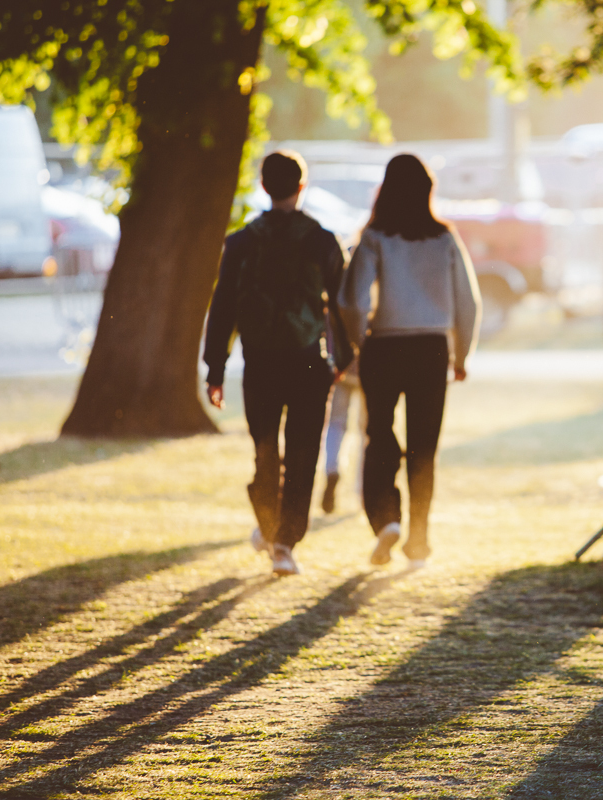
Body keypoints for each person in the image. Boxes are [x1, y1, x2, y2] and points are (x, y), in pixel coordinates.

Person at [203, 150, 353, 576]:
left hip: (260, 364)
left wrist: (215, 369)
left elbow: (223, 309)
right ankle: (284, 541)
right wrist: (344, 358)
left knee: (265, 452)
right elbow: (341, 307)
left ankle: (271, 529)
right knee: (303, 455)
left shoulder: (241, 243)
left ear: (263, 186)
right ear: (302, 187)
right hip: (309, 363)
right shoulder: (323, 242)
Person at [338, 153, 481, 568]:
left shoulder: (375, 237)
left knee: (379, 434)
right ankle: (418, 537)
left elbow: (353, 300)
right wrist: (461, 355)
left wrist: (357, 343)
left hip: (383, 346)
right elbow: (468, 302)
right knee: (424, 446)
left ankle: (386, 518)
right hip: (431, 349)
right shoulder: (444, 238)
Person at [321, 361, 361, 514]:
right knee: (367, 430)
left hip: (343, 366)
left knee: (336, 422)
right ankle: (363, 492)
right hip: (369, 364)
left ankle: (332, 468)